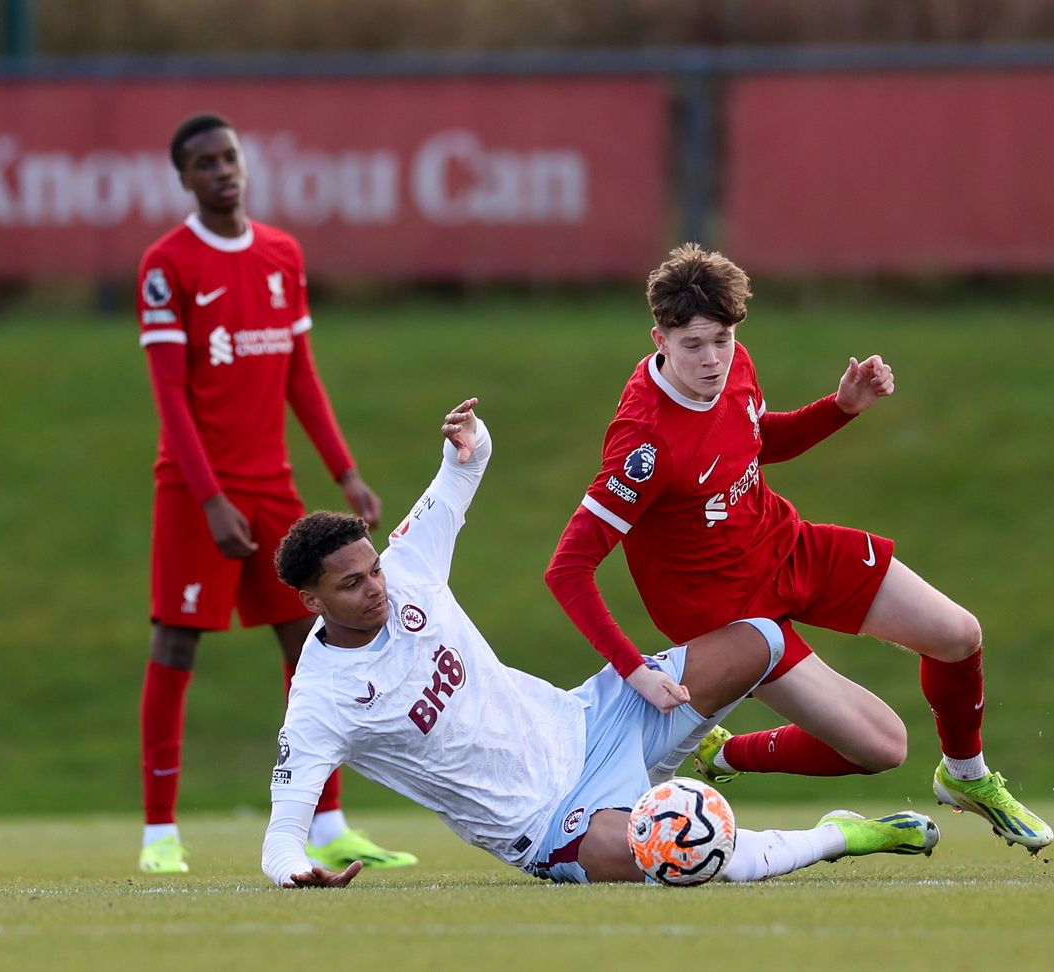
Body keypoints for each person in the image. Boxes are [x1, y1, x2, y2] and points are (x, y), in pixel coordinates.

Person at [261, 399, 938, 888]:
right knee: (686, 860)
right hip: (551, 820)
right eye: (352, 585)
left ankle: (717, 752)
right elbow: (282, 835)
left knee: (759, 638)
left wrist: (465, 442)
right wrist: (297, 871)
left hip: (590, 719)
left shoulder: (406, 569)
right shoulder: (321, 700)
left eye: (373, 568)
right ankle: (839, 835)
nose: (376, 588)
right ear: (312, 601)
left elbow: (462, 474)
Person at [544, 244, 1053, 852]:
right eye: (693, 346)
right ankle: (728, 754)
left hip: (785, 545)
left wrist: (840, 409)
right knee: (883, 748)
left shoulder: (734, 367)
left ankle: (967, 778)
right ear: (659, 338)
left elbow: (757, 442)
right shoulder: (644, 446)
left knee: (958, 633)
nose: (712, 361)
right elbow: (567, 569)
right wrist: (636, 671)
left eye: (723, 340)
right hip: (730, 614)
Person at [133, 112, 413, 874]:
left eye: (231, 156)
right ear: (184, 179)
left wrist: (345, 470)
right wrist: (208, 497)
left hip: (273, 486)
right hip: (198, 491)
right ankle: (160, 835)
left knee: (315, 642)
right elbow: (171, 397)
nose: (224, 170)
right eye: (206, 162)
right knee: (176, 642)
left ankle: (328, 823)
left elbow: (300, 374)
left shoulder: (281, 254)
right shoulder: (167, 266)